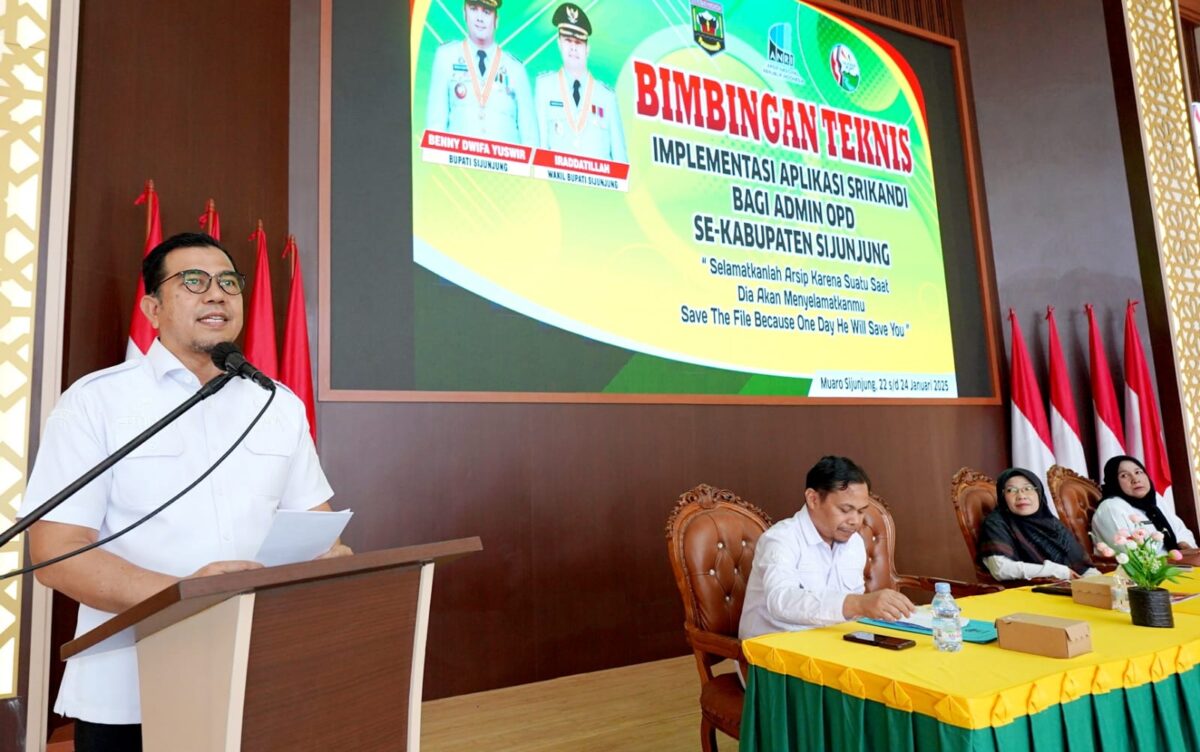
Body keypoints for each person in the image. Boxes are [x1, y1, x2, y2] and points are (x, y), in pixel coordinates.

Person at [21, 232, 351, 752]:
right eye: (193, 281)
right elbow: (56, 553)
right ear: (152, 308)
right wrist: (185, 593)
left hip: (259, 676)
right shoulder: (96, 403)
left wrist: (332, 558)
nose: (217, 293)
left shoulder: (277, 404)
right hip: (130, 688)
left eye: (228, 282)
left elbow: (318, 528)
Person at [739, 456, 915, 641]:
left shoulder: (854, 543)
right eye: (845, 510)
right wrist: (857, 604)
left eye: (861, 511)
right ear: (813, 499)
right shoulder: (781, 538)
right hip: (774, 648)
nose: (855, 521)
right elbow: (781, 601)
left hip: (831, 642)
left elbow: (852, 613)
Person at [425, 0, 537, 146]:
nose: (479, 18)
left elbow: (530, 137)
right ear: (464, 13)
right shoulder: (446, 56)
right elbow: (435, 126)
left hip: (505, 160)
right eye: (473, 9)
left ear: (496, 20)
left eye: (486, 12)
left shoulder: (516, 69)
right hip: (459, 159)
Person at [534, 3, 627, 162]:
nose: (573, 48)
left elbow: (620, 159)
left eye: (578, 42)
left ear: (587, 48)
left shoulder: (606, 97)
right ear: (559, 43)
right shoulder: (545, 86)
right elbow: (539, 149)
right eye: (568, 40)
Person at [977, 468, 1098, 581]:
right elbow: (1000, 569)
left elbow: (1082, 565)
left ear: (1039, 492)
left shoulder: (1050, 521)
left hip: (1074, 587)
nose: (1021, 496)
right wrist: (1055, 571)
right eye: (1011, 490)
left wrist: (1093, 579)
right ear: (1002, 496)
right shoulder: (997, 522)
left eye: (1028, 488)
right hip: (1030, 591)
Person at [1092, 455, 1196, 554]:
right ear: (1113, 481)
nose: (1135, 479)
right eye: (1124, 475)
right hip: (1149, 565)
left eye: (1138, 472)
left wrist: (1183, 544)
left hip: (1178, 561)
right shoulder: (1111, 508)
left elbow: (1180, 530)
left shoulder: (1155, 498)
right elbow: (1129, 553)